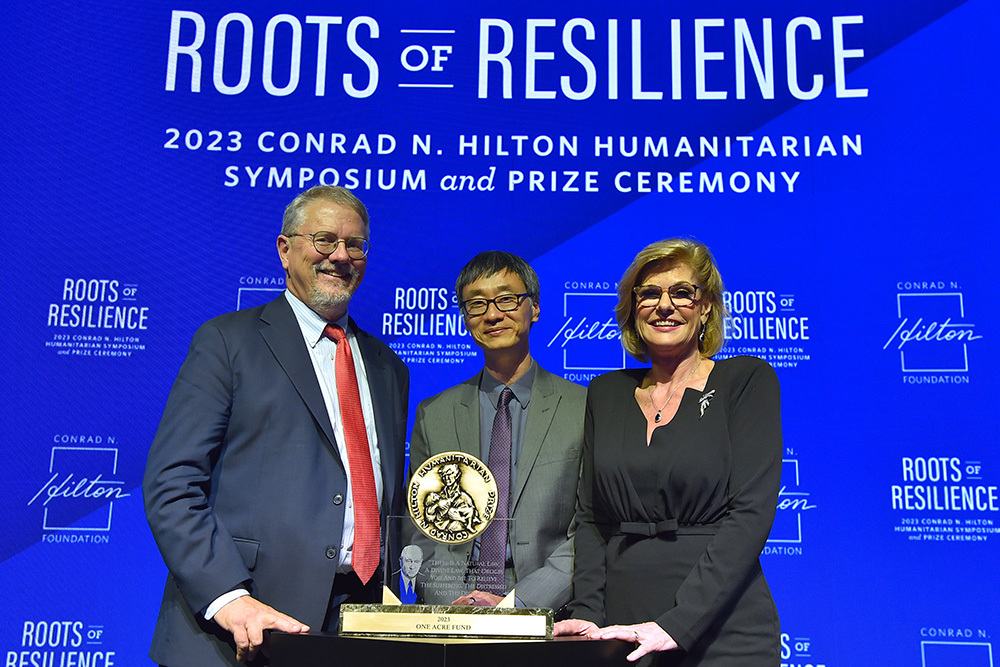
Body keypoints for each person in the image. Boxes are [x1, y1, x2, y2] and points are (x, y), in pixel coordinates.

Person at [143, 185, 408, 666]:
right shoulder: (227, 341)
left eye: (356, 245)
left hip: (359, 628)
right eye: (324, 240)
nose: (341, 256)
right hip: (241, 630)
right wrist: (229, 598)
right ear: (285, 250)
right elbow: (171, 483)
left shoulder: (389, 367)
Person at [555, 239, 782, 666]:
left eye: (682, 292)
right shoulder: (605, 393)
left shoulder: (747, 380)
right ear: (632, 307)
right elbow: (590, 518)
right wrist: (587, 612)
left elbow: (750, 514)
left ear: (706, 307)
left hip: (723, 629)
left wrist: (678, 624)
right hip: (622, 630)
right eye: (649, 293)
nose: (665, 305)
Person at [409, 251, 585, 611]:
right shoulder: (434, 413)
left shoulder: (584, 408)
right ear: (465, 318)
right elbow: (420, 531)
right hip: (454, 612)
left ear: (534, 308)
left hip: (547, 609)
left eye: (506, 299)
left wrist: (519, 605)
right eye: (476, 304)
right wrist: (454, 605)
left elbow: (589, 529)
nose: (492, 314)